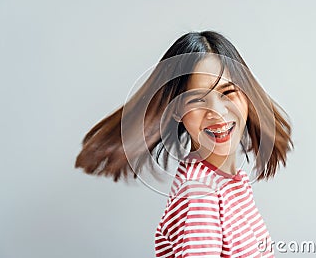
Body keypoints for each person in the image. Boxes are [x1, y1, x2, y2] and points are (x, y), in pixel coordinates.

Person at [75, 31, 293, 257]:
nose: (217, 113)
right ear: (178, 111)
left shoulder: (233, 184)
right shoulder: (200, 193)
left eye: (228, 92)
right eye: (198, 100)